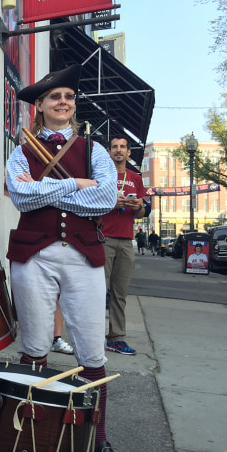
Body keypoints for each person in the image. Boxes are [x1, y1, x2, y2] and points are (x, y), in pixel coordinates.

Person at [5, 64, 125, 452]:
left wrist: (50, 194)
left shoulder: (94, 149)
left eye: (69, 97)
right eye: (55, 97)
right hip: (33, 256)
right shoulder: (22, 150)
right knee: (34, 348)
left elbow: (106, 200)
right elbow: (21, 196)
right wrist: (76, 185)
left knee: (92, 351)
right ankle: (32, 430)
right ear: (39, 106)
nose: (63, 102)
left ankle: (99, 435)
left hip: (83, 256)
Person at [101, 134, 145, 356]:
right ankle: (93, 335)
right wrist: (111, 201)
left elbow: (142, 213)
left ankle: (116, 338)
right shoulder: (102, 175)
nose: (118, 150)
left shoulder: (136, 179)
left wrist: (137, 206)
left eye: (123, 147)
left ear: (129, 152)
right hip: (104, 239)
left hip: (127, 241)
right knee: (99, 291)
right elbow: (90, 203)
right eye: (114, 147)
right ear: (109, 152)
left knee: (120, 293)